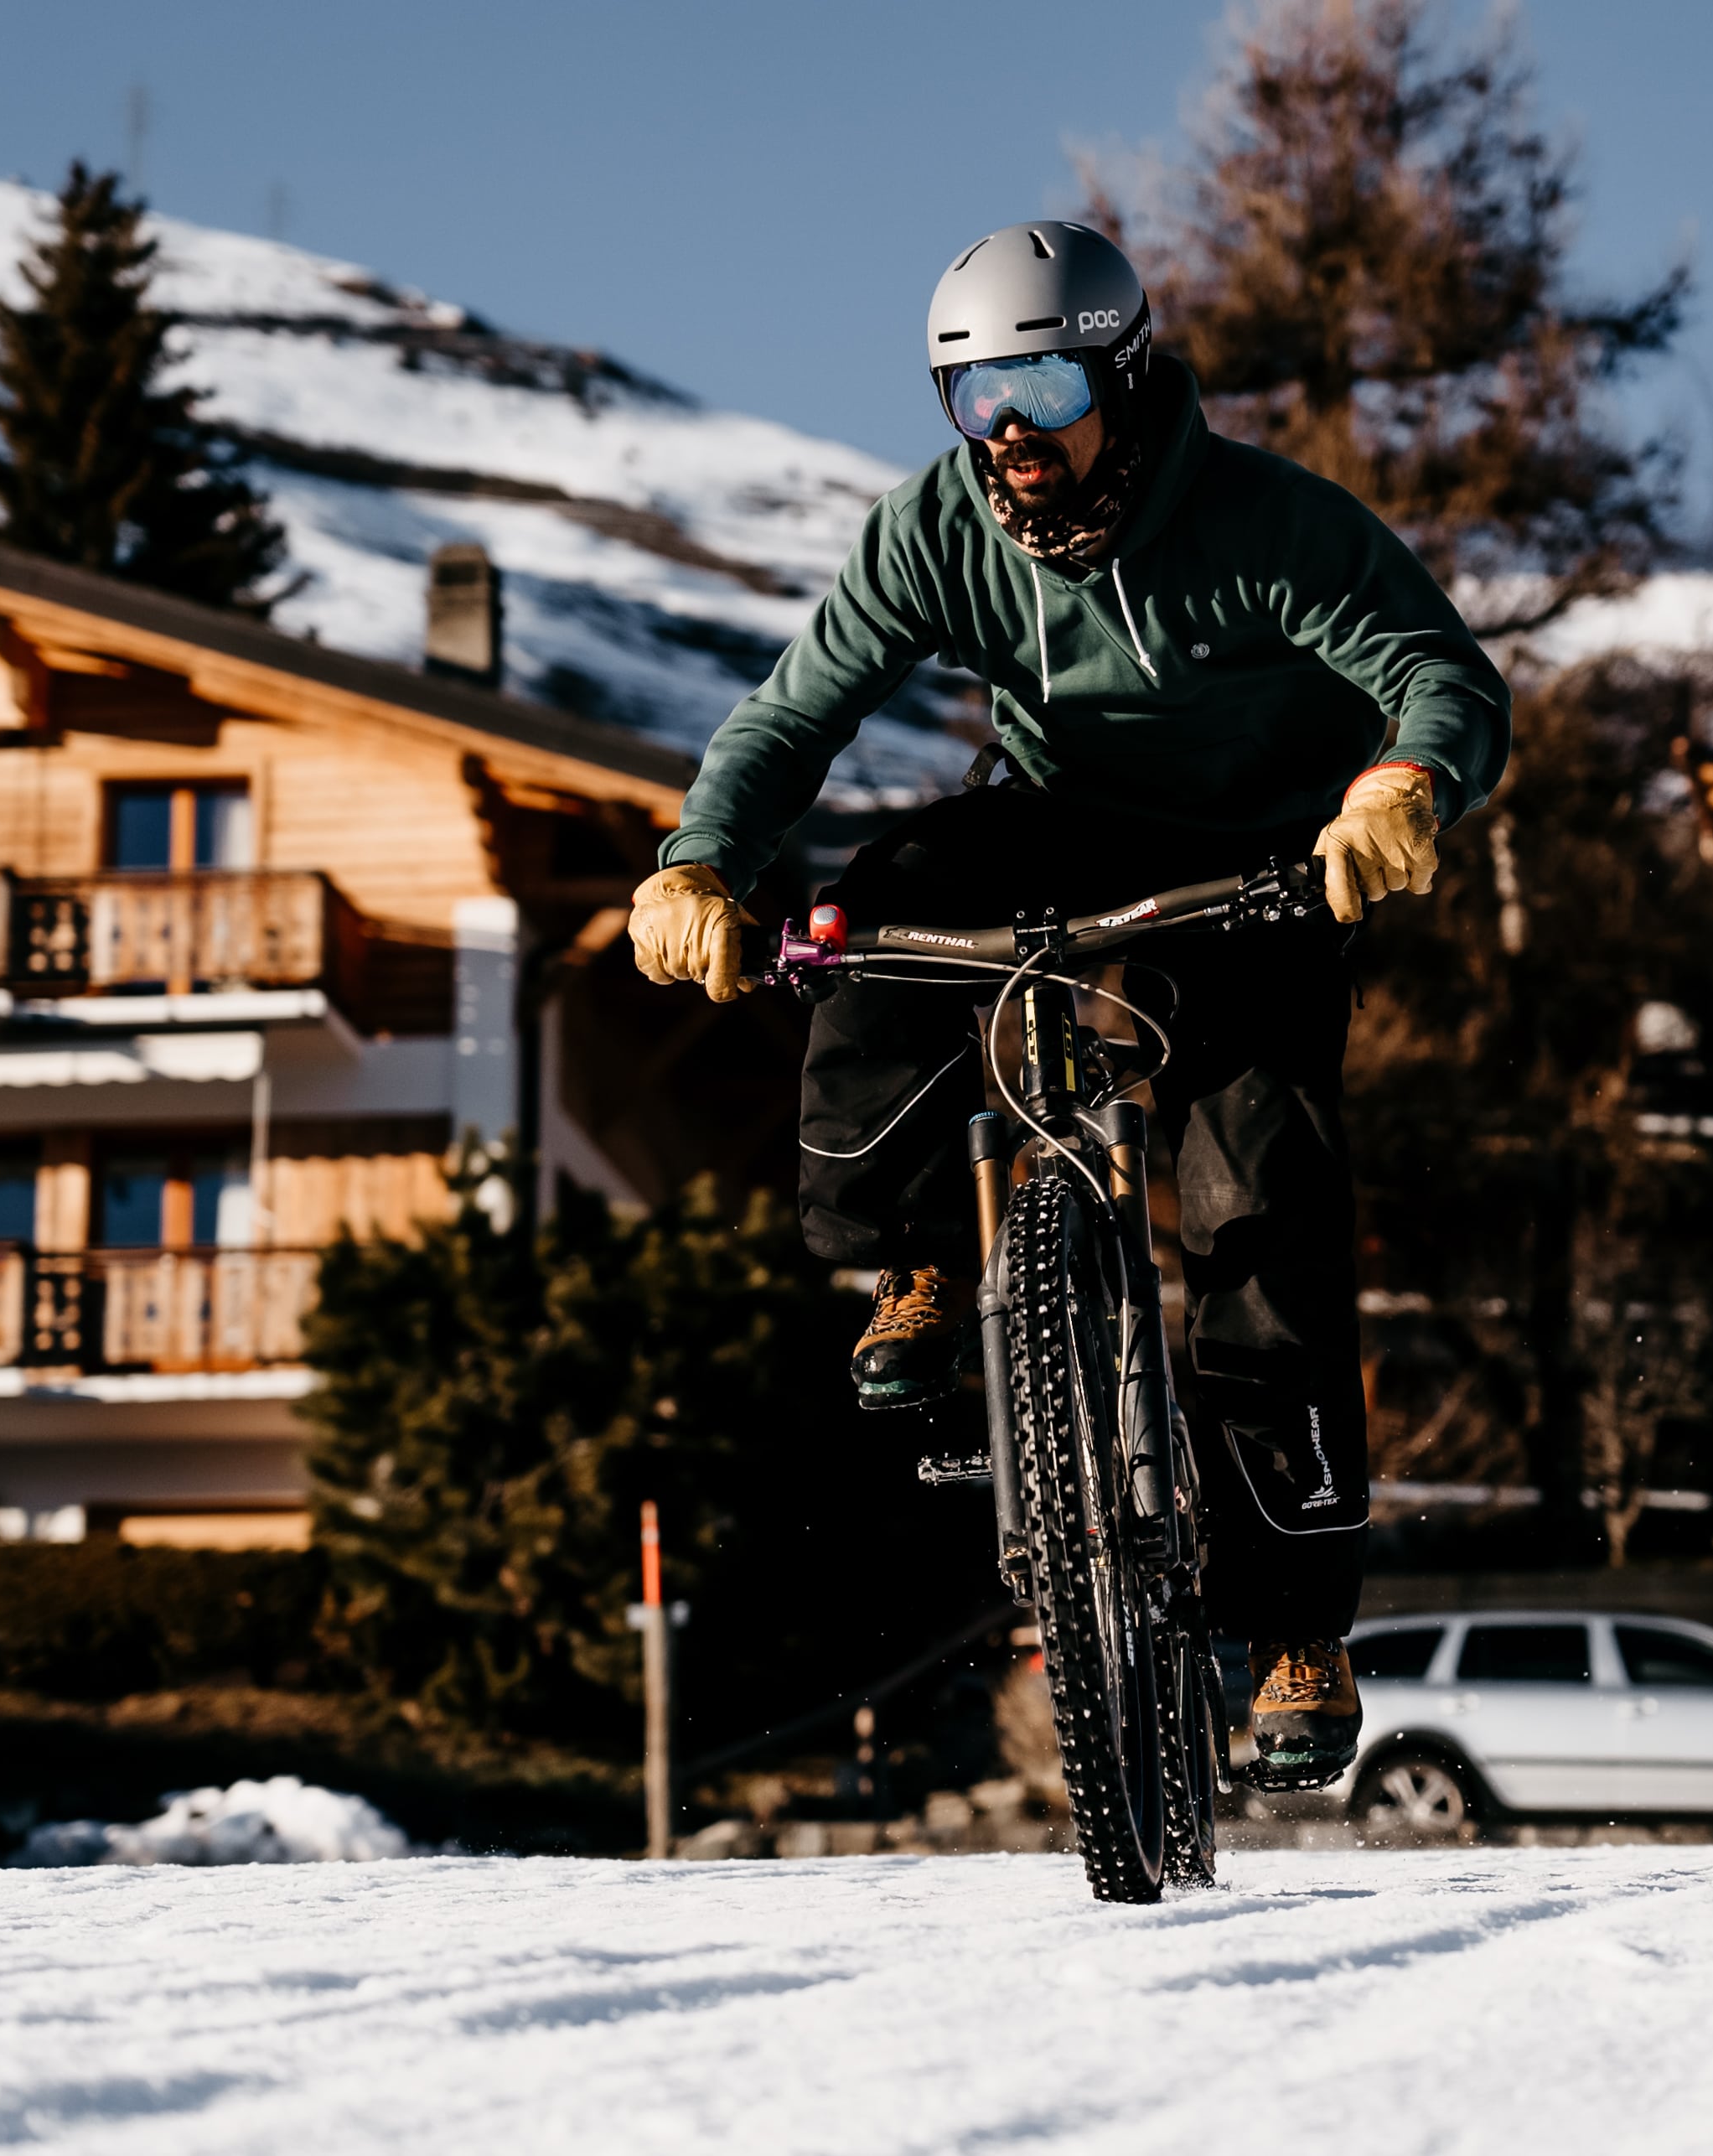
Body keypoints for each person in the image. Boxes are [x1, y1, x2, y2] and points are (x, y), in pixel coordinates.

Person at [629, 222, 1509, 1785]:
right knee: (872, 909)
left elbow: (1441, 672)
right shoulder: (936, 530)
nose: (1011, 432)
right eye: (974, 399)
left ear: (1119, 367)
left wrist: (1400, 791)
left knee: (1264, 1219)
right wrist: (700, 863)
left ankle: (1299, 1629)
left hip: (1265, 870)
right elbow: (793, 718)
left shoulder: (1262, 521)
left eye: (1039, 383)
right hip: (1056, 823)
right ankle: (902, 1258)